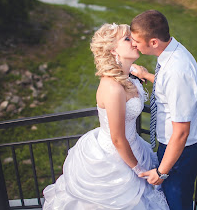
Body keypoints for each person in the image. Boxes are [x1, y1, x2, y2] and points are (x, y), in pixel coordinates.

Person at [42, 23, 169, 210]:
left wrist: (140, 72)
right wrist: (138, 170)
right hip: (115, 158)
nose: (134, 42)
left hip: (134, 146)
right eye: (127, 39)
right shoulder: (112, 87)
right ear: (112, 50)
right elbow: (117, 139)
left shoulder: (126, 77)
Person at [130, 10, 197, 210]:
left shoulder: (177, 71)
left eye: (136, 40)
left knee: (177, 205)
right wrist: (147, 74)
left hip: (179, 152)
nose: (133, 44)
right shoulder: (171, 54)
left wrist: (161, 172)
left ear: (153, 42)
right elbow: (169, 87)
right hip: (172, 148)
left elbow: (181, 132)